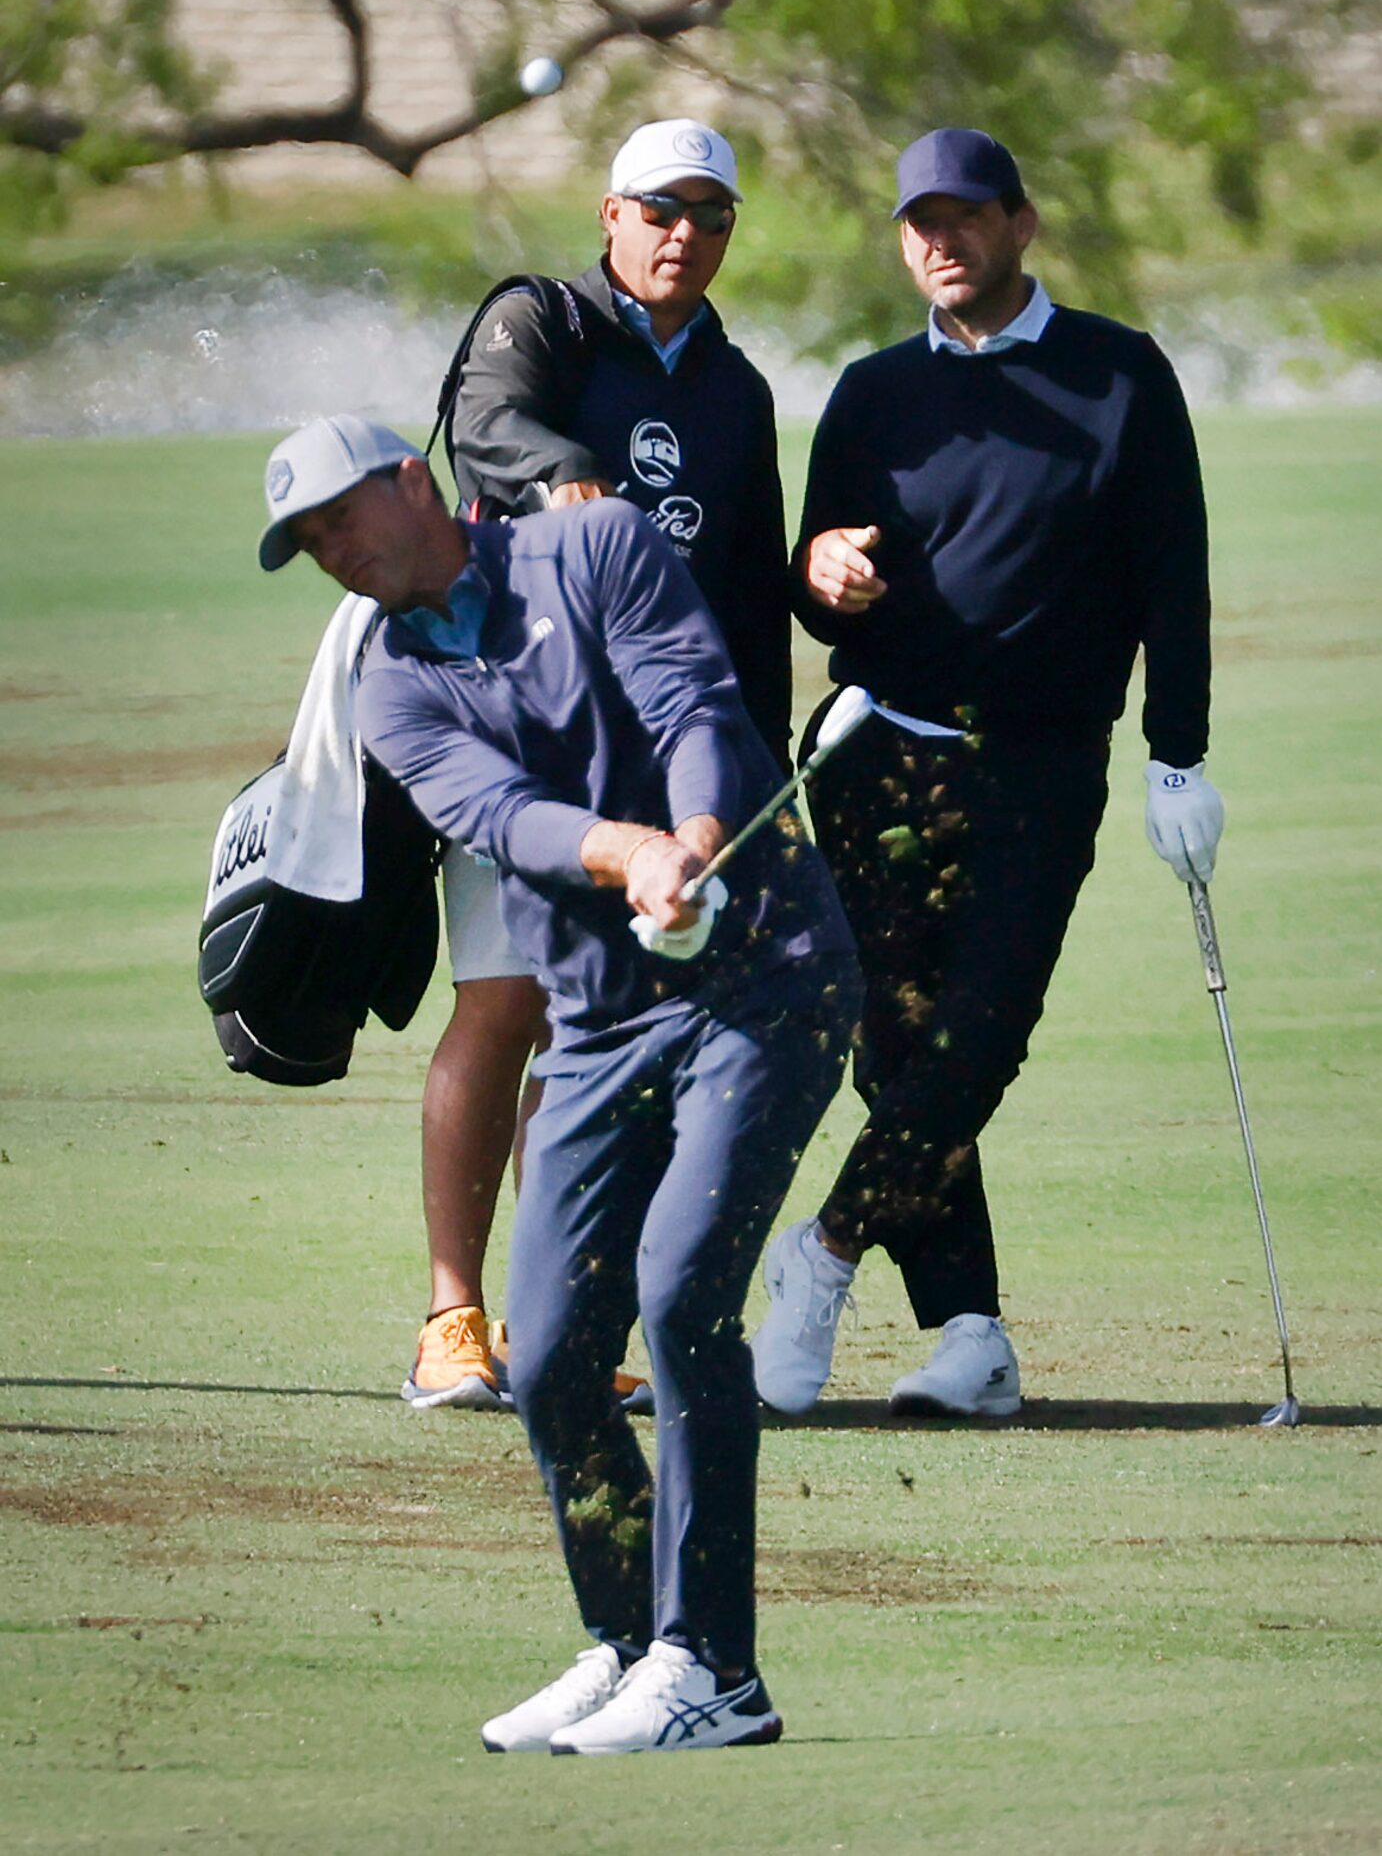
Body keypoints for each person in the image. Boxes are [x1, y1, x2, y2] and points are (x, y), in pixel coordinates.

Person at [258, 414, 859, 1753]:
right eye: (311, 548)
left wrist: (697, 835)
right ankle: (629, 1635)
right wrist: (628, 850)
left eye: (343, 521)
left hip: (767, 975)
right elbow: (500, 819)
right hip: (600, 1021)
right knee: (549, 1342)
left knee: (681, 1289)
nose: (336, 558)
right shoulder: (388, 683)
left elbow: (694, 704)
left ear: (414, 481)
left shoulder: (592, 543)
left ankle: (714, 1667)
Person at [749, 127, 1225, 1419]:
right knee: (894, 1048)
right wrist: (821, 573)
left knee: (978, 1040)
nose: (937, 243)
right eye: (917, 224)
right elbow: (822, 587)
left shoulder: (1117, 375)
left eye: (963, 218)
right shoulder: (869, 391)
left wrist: (1174, 751)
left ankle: (822, 1252)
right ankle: (969, 1334)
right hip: (877, 759)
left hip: (1038, 768)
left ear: (1020, 224)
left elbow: (1169, 577)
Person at [407, 118, 797, 1411]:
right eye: (660, 207)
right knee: (505, 1003)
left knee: (598, 1038)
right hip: (516, 726)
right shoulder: (544, 322)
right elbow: (485, 426)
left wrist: (748, 768)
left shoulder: (733, 389)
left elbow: (744, 589)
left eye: (711, 213)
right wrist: (574, 483)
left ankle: (549, 1323)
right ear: (610, 213)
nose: (685, 232)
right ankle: (451, 1318)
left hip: (661, 765)